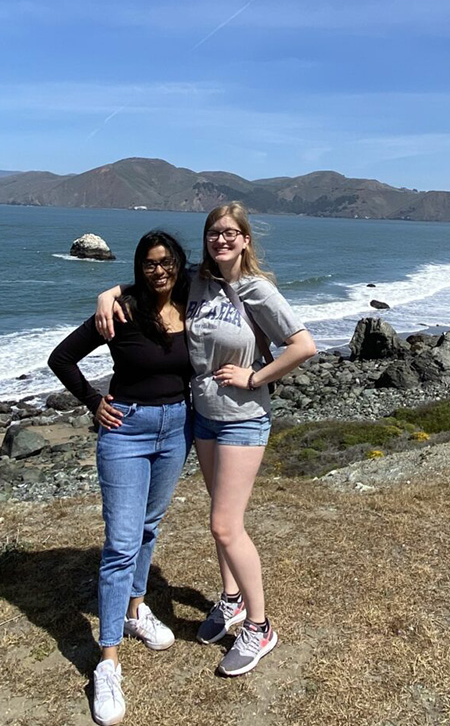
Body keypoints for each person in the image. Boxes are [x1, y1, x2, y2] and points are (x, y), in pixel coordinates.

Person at [97, 202, 316, 677]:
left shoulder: (258, 289)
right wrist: (106, 294)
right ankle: (231, 599)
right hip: (201, 417)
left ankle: (260, 626)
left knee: (224, 525)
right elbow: (149, 279)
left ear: (245, 240)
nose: (221, 239)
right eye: (214, 232)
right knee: (220, 514)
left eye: (231, 232)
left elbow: (303, 346)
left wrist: (256, 377)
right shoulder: (197, 280)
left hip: (242, 420)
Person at [48, 230, 193, 726]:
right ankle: (107, 661)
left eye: (167, 261)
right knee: (121, 543)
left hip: (177, 427)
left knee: (150, 527)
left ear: (178, 264)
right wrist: (94, 402)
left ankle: (136, 609)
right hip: (126, 431)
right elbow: (61, 358)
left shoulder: (190, 296)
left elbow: (229, 275)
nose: (159, 270)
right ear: (139, 267)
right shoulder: (122, 309)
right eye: (150, 263)